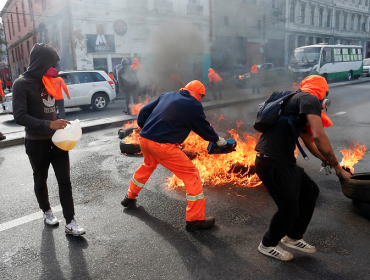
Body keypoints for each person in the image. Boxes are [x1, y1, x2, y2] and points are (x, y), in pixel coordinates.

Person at [254, 75, 350, 261]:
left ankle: (293, 237)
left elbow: (309, 143)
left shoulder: (296, 103)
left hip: (281, 161)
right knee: (289, 209)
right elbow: (318, 136)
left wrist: (329, 162)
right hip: (272, 161)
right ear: (321, 92)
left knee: (309, 191)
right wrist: (338, 168)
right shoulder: (309, 99)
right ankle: (267, 244)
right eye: (324, 95)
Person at [121, 80, 228, 232]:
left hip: (145, 139)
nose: (201, 99)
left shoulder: (168, 95)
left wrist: (147, 128)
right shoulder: (193, 104)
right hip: (163, 146)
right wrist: (217, 139)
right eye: (202, 96)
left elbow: (144, 111)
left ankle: (129, 197)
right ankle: (195, 220)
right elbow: (202, 127)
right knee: (192, 175)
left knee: (147, 166)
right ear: (198, 94)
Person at [12, 43, 86, 236]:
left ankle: (70, 222)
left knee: (65, 180)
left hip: (57, 140)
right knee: (40, 178)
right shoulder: (22, 83)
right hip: (36, 141)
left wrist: (57, 120)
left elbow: (50, 109)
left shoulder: (49, 80)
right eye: (52, 63)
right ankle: (46, 211)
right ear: (41, 62)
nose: (55, 68)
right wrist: (48, 125)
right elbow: (19, 116)